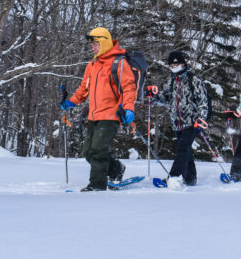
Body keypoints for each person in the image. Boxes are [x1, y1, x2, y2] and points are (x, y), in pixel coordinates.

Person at [61, 27, 136, 191]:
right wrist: (71, 102)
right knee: (88, 152)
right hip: (94, 115)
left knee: (97, 150)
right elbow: (84, 88)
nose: (93, 48)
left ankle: (97, 185)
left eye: (95, 44)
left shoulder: (119, 63)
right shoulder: (93, 65)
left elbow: (129, 88)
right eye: (92, 45)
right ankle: (116, 169)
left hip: (111, 114)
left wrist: (129, 109)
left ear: (104, 42)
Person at [148, 50, 209, 188]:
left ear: (183, 64)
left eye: (176, 64)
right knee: (186, 150)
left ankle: (173, 177)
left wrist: (201, 119)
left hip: (192, 121)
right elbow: (166, 98)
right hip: (177, 122)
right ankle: (190, 179)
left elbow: (203, 102)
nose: (174, 67)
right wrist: (154, 97)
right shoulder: (171, 81)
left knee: (182, 149)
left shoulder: (194, 80)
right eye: (171, 65)